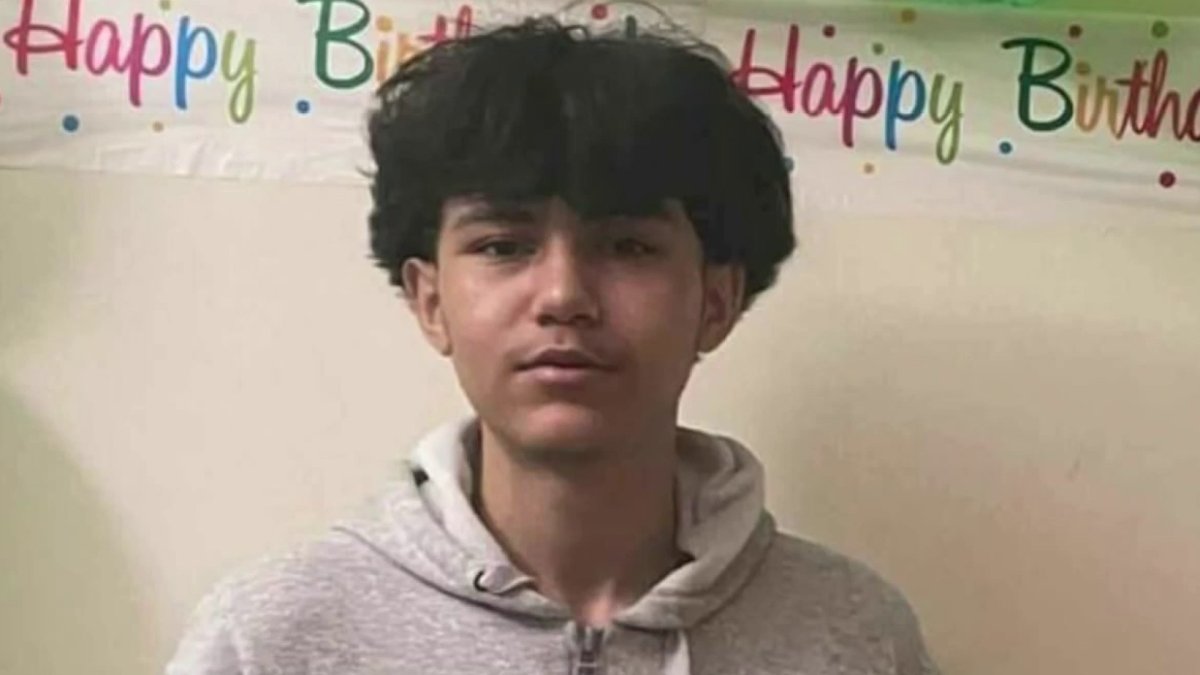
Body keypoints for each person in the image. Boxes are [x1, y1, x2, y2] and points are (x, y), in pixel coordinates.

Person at [167, 14, 939, 675]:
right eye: (503, 246)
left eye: (628, 246)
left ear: (716, 300)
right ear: (430, 300)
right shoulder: (275, 637)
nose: (564, 294)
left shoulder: (854, 633)